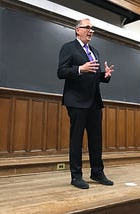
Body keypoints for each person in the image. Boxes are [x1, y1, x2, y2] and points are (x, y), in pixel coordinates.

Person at [57, 18, 114, 189]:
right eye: (87, 28)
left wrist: (105, 75)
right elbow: (61, 72)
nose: (91, 31)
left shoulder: (94, 51)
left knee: (96, 139)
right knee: (76, 139)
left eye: (92, 28)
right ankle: (76, 176)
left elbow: (93, 75)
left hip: (94, 101)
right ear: (77, 30)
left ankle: (97, 172)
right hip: (76, 101)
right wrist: (80, 68)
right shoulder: (68, 48)